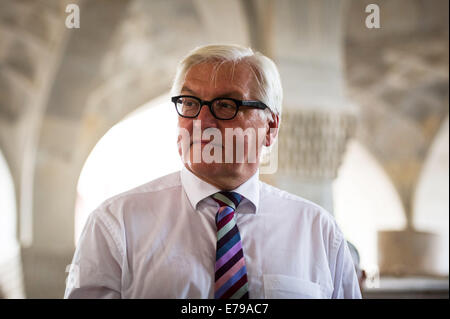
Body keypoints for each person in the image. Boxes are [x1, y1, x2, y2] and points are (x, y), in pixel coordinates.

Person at [64, 44, 362, 299]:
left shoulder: (319, 233)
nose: (201, 121)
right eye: (190, 103)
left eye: (226, 105)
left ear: (270, 127)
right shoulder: (117, 225)